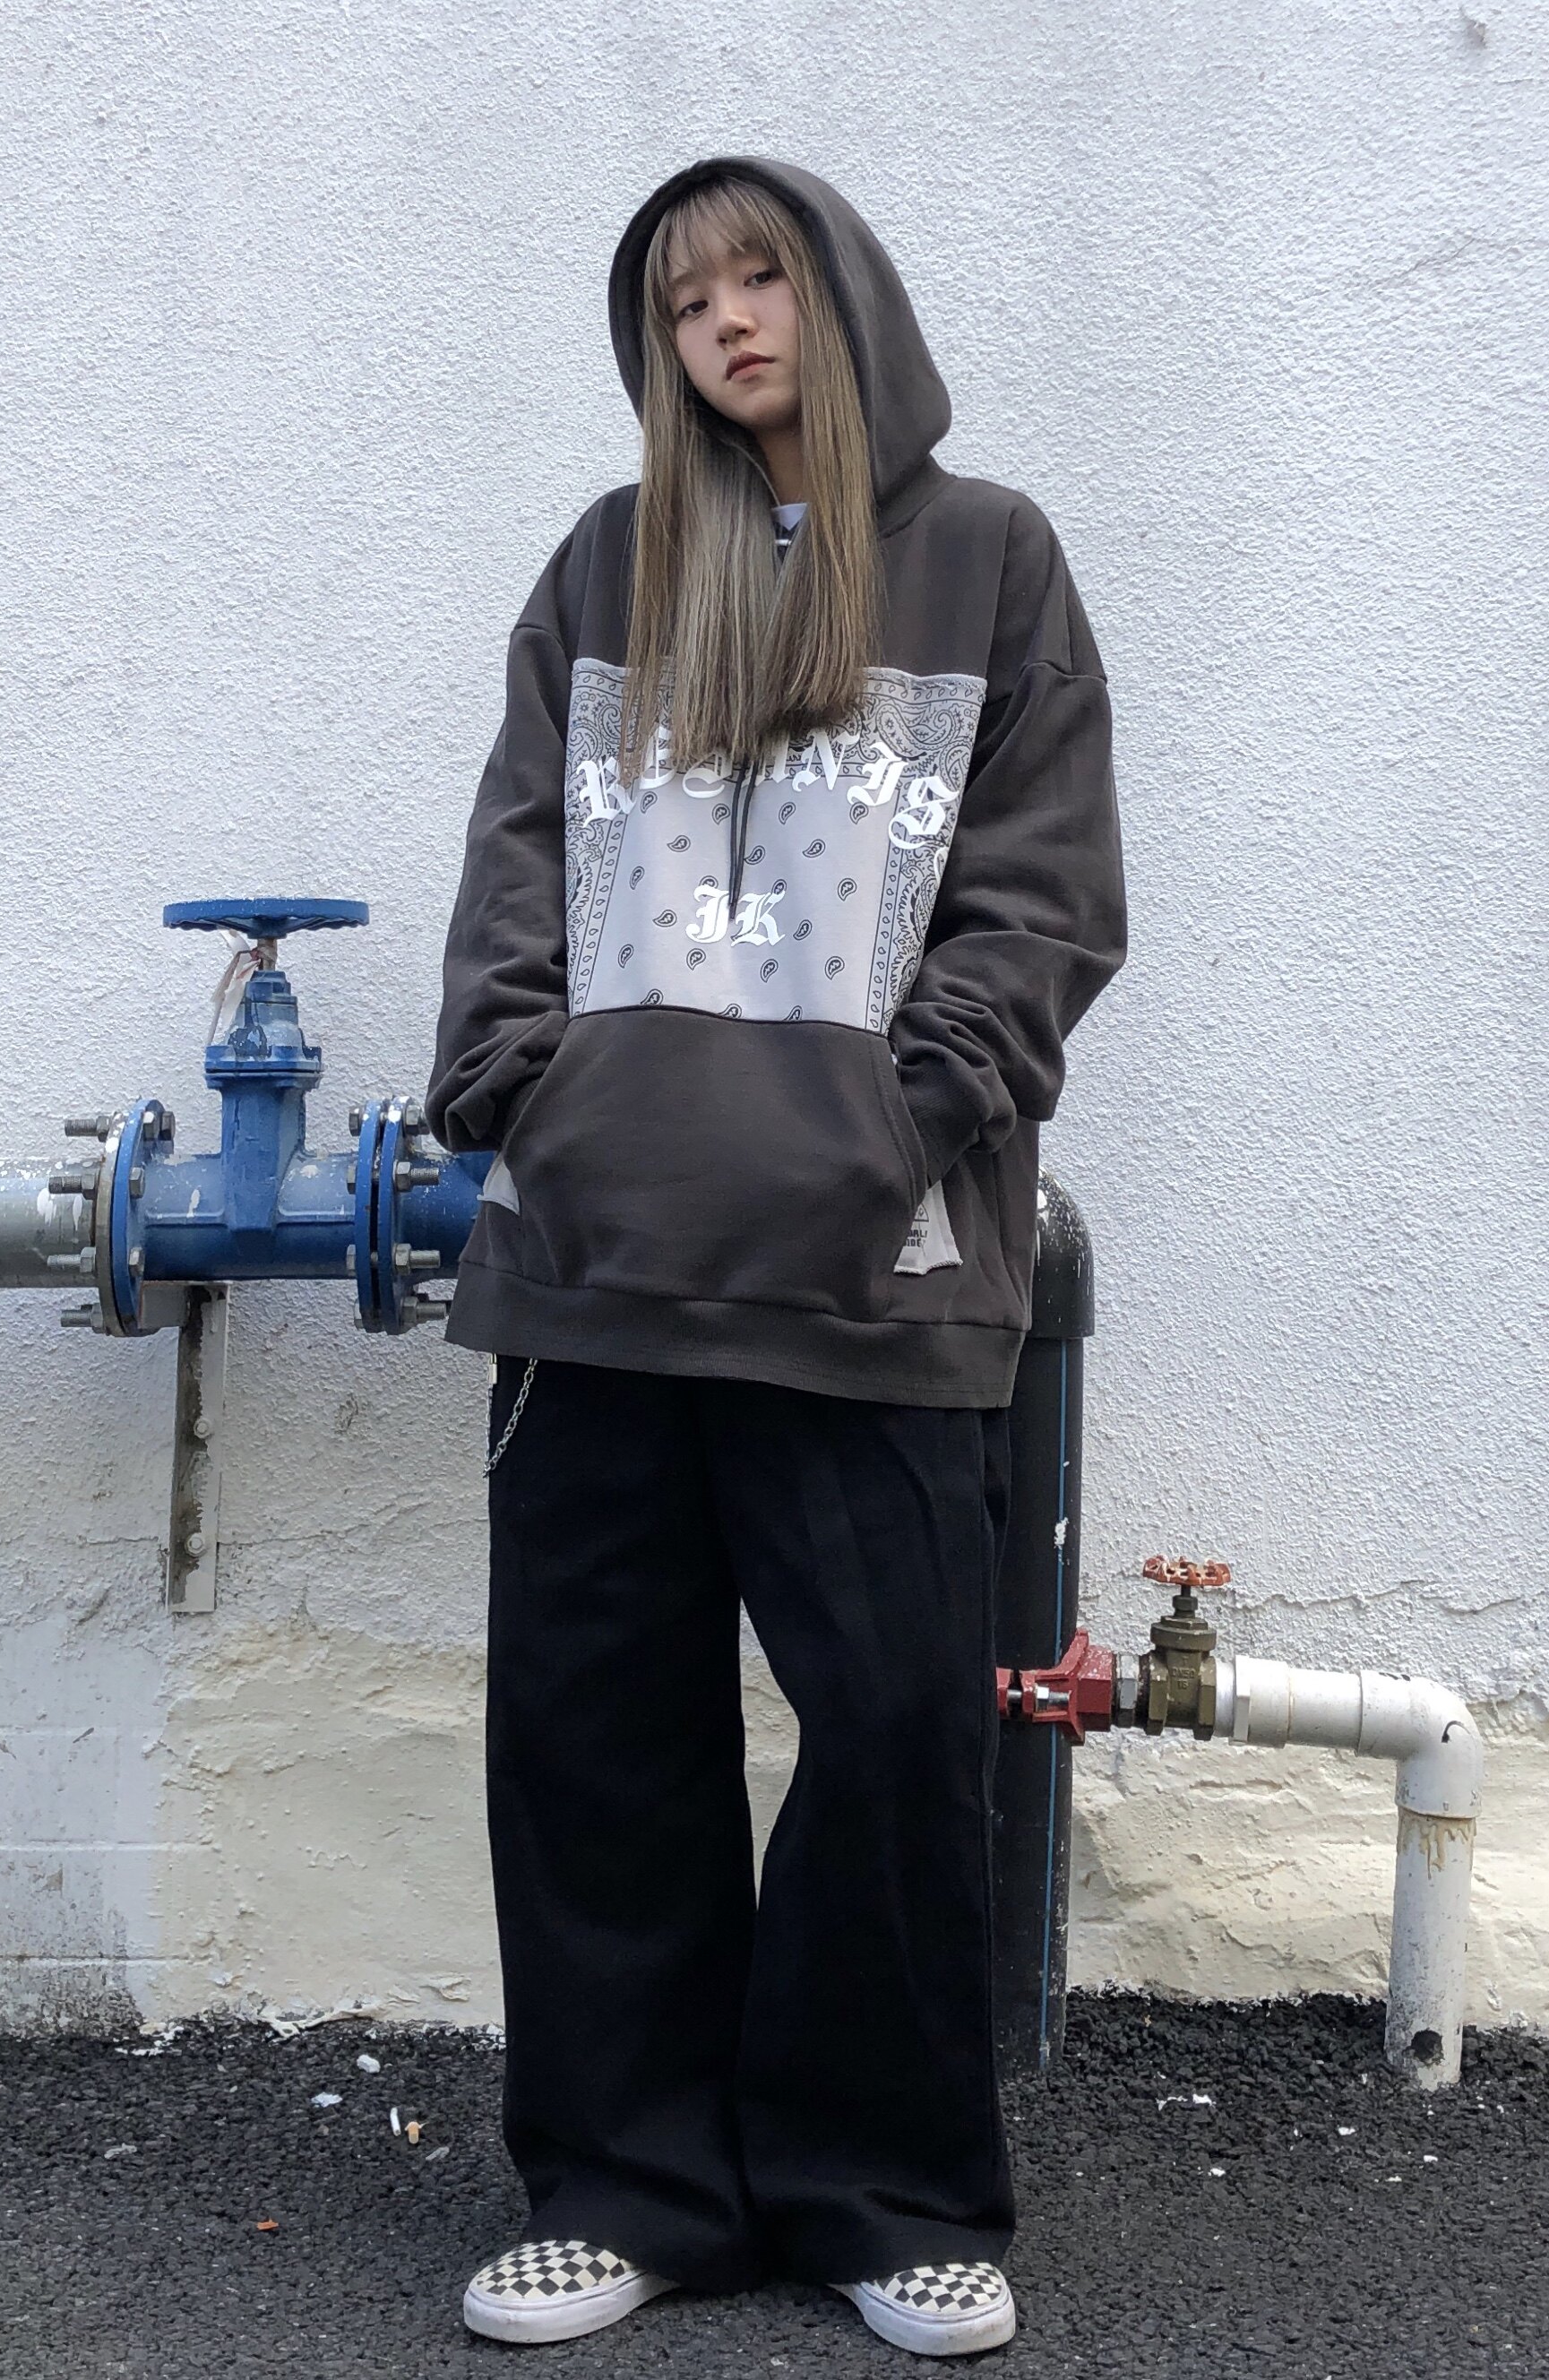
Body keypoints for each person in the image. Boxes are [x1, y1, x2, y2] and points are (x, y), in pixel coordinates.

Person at [425, 156, 1125, 2359]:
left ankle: (881, 2187)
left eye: (759, 276)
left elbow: (1040, 895)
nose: (726, 320)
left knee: (900, 1730)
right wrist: (520, 1091)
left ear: (839, 293)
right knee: (593, 1733)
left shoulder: (986, 556)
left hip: (878, 1273)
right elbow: (513, 854)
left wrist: (896, 1120)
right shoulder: (602, 562)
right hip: (594, 1264)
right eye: (681, 299)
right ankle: (624, 2181)